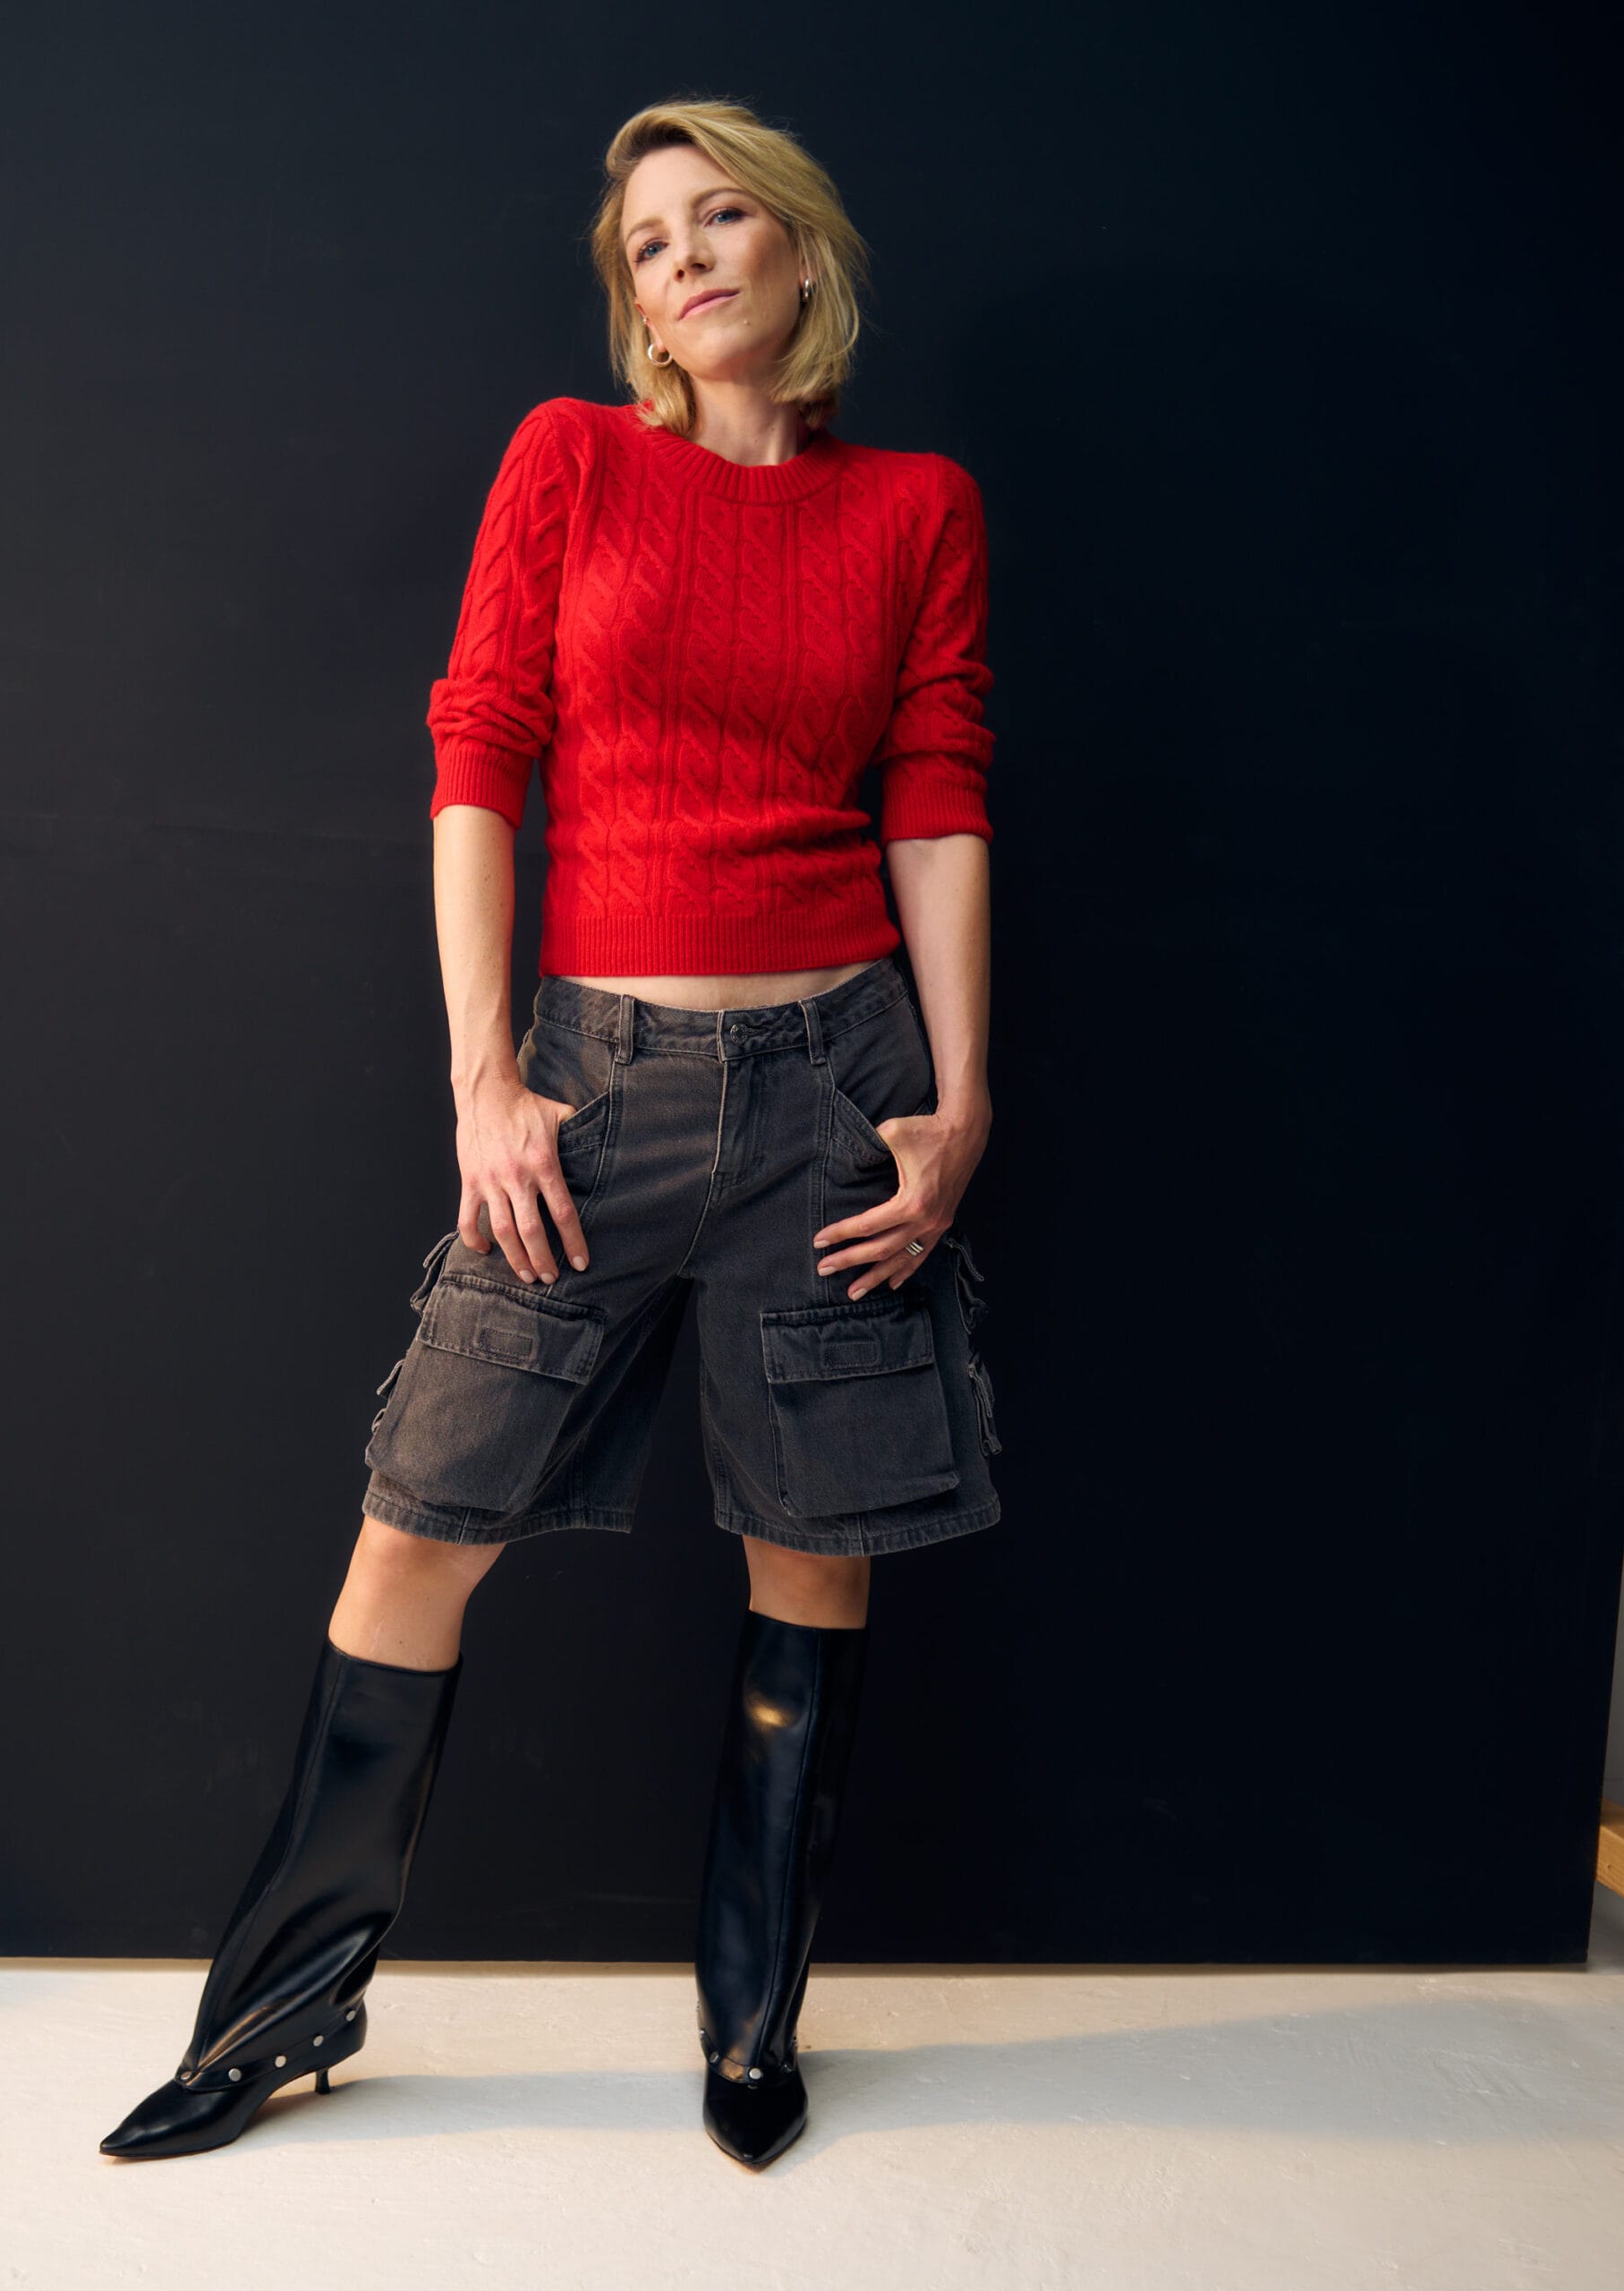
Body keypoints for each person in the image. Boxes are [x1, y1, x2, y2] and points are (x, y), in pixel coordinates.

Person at [99, 95, 1002, 2175]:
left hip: (838, 1091)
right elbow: (481, 743)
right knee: (421, 1515)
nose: (684, 258)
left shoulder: (918, 506)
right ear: (640, 310)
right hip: (596, 1085)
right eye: (649, 245)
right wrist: (483, 1076)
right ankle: (282, 2007)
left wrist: (963, 1102)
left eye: (720, 218)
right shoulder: (573, 459)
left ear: (796, 251)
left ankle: (753, 2017)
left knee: (817, 1552)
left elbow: (938, 788)